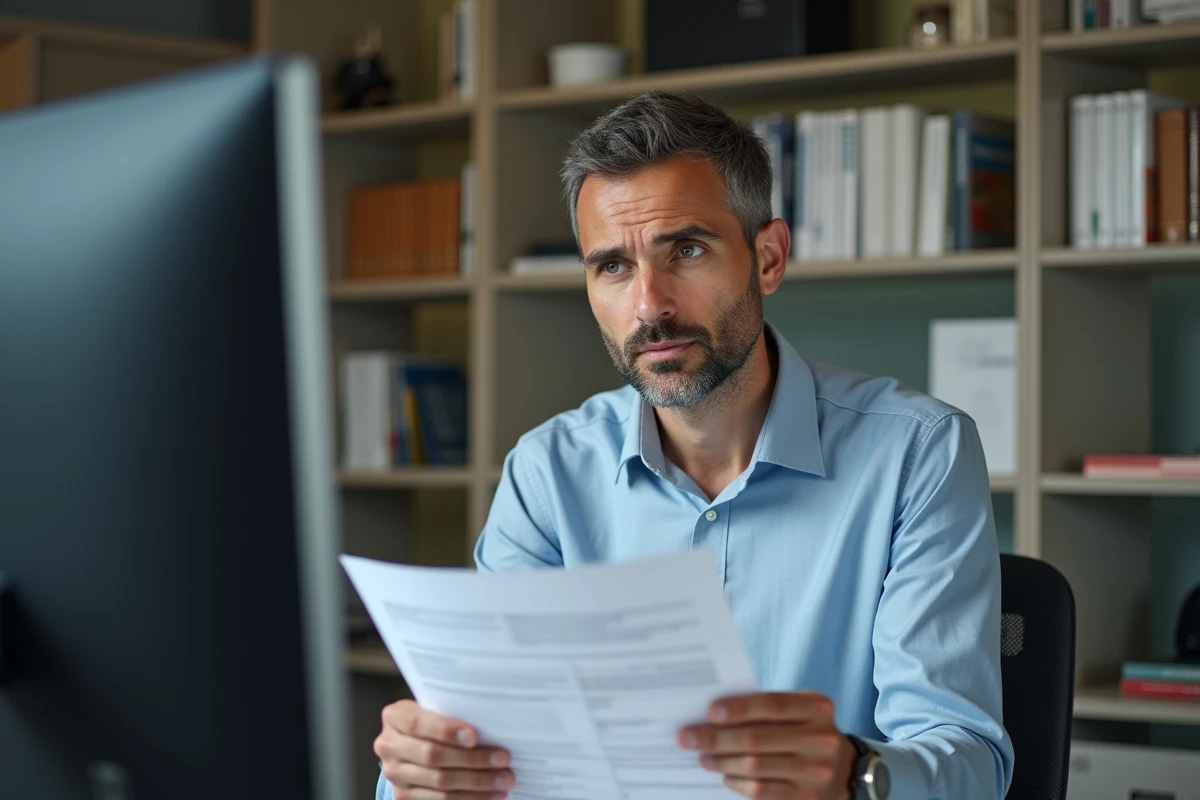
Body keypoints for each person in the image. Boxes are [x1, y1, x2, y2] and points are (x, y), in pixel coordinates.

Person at [373, 90, 1014, 800]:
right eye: (613, 266)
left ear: (767, 258)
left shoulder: (917, 454)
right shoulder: (547, 473)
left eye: (686, 249)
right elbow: (487, 734)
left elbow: (970, 765)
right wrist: (425, 773)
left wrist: (854, 773)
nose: (650, 306)